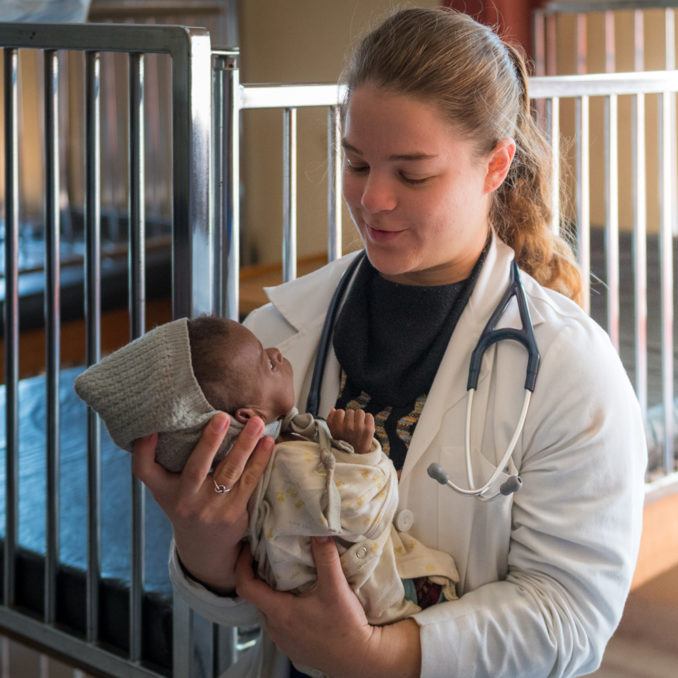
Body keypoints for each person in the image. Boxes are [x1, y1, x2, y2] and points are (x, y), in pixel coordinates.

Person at [132, 7, 647, 677]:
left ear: (496, 166)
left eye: (412, 174)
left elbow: (571, 617)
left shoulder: (572, 371)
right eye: (356, 163)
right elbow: (237, 604)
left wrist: (385, 658)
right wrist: (203, 552)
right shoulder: (274, 337)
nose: (372, 200)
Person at [74, 315, 459, 649]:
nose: (276, 351)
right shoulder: (285, 464)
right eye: (265, 361)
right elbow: (359, 512)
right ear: (245, 414)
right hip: (387, 605)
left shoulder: (274, 456)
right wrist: (364, 454)